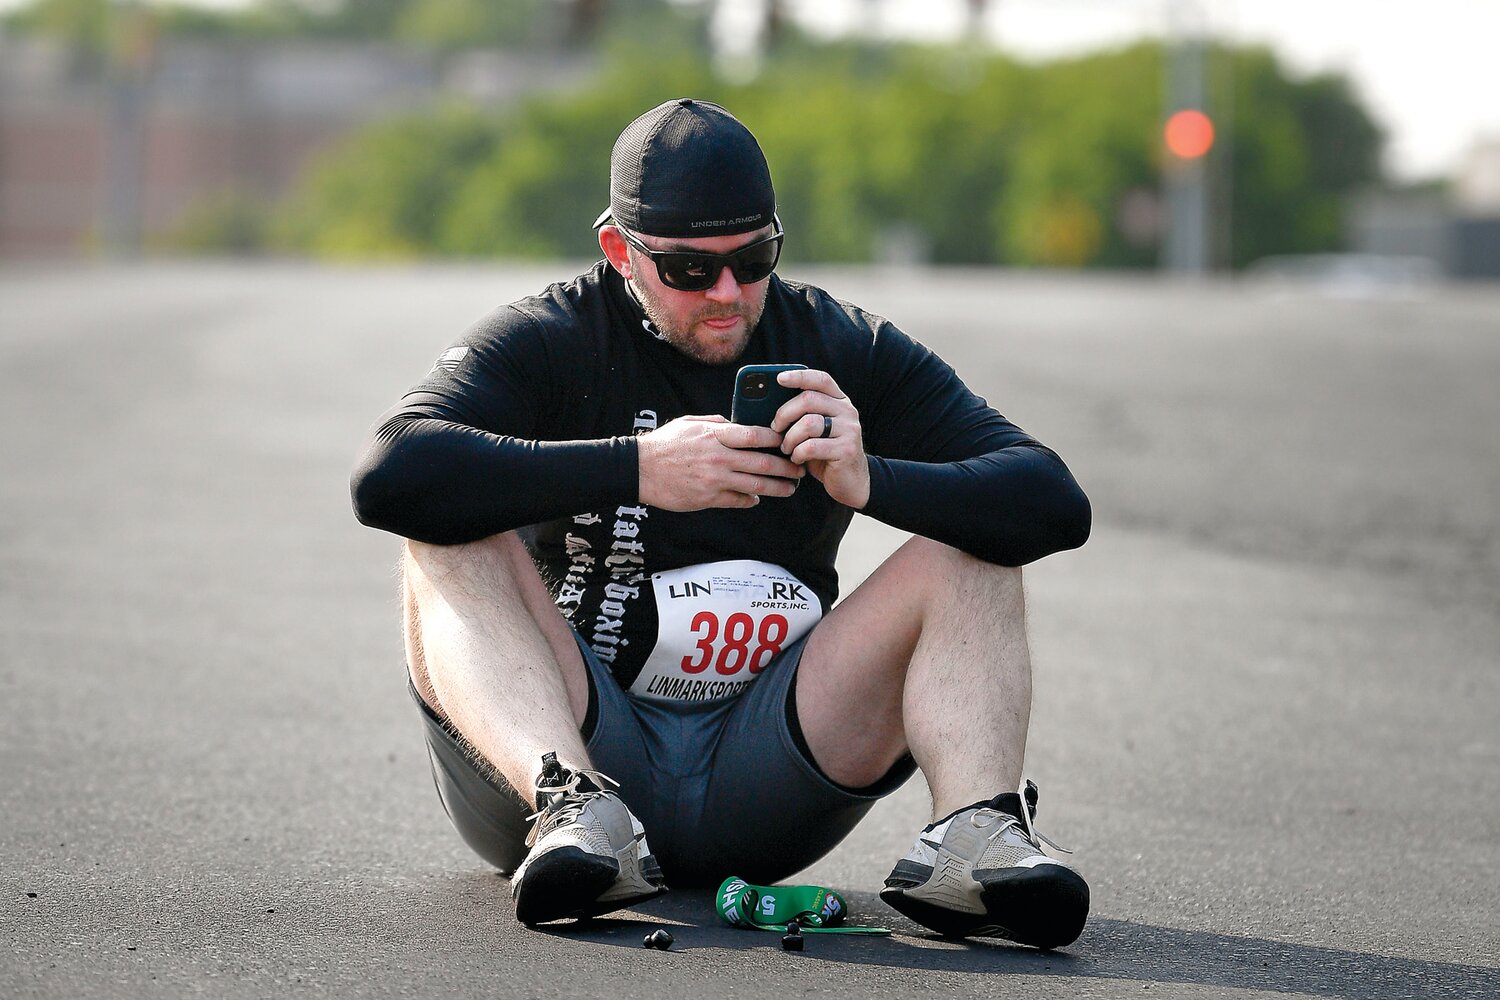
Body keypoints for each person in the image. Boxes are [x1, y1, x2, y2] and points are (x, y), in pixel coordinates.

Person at [351, 98, 1093, 948]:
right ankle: (573, 803)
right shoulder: (553, 337)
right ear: (619, 251)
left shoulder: (837, 344)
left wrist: (867, 479)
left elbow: (1051, 501)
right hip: (580, 752)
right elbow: (389, 475)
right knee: (441, 534)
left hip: (768, 761)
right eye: (690, 270)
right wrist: (639, 469)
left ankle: (977, 838)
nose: (729, 294)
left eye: (754, 258)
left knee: (978, 549)